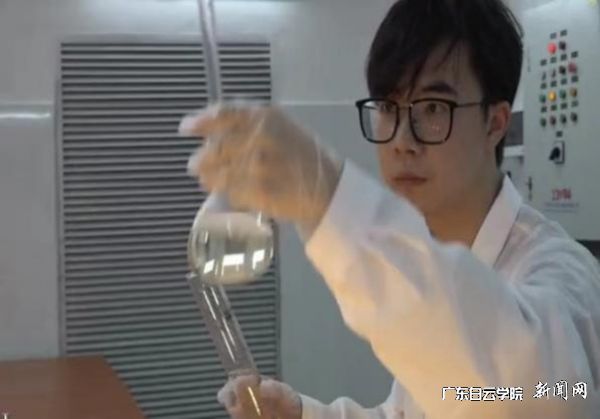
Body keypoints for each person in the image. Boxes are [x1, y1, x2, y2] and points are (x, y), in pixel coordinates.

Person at [179, 0, 600, 418]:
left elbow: (528, 395)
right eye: (388, 108)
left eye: (432, 108)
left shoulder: (561, 275)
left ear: (496, 123)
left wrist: (327, 194)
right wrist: (303, 415)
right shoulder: (433, 261)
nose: (401, 140)